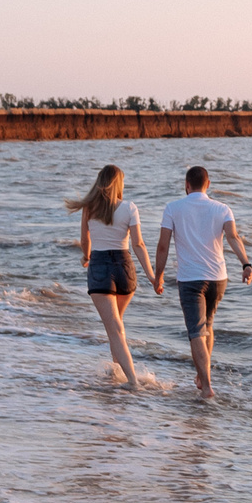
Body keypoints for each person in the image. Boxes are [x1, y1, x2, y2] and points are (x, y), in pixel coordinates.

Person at [152, 164, 252, 399]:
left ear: (187, 186)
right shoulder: (222, 208)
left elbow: (163, 246)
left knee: (196, 331)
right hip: (218, 278)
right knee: (208, 325)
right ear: (208, 184)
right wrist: (246, 264)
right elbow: (233, 237)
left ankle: (207, 387)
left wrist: (158, 276)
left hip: (190, 279)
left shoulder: (173, 208)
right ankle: (202, 376)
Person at [67, 163, 152, 387]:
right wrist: (152, 276)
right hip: (124, 268)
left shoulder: (89, 208)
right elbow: (139, 244)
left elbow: (85, 241)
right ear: (119, 185)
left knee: (114, 329)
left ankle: (132, 381)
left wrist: (85, 257)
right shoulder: (130, 207)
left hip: (100, 267)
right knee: (116, 326)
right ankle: (118, 375)